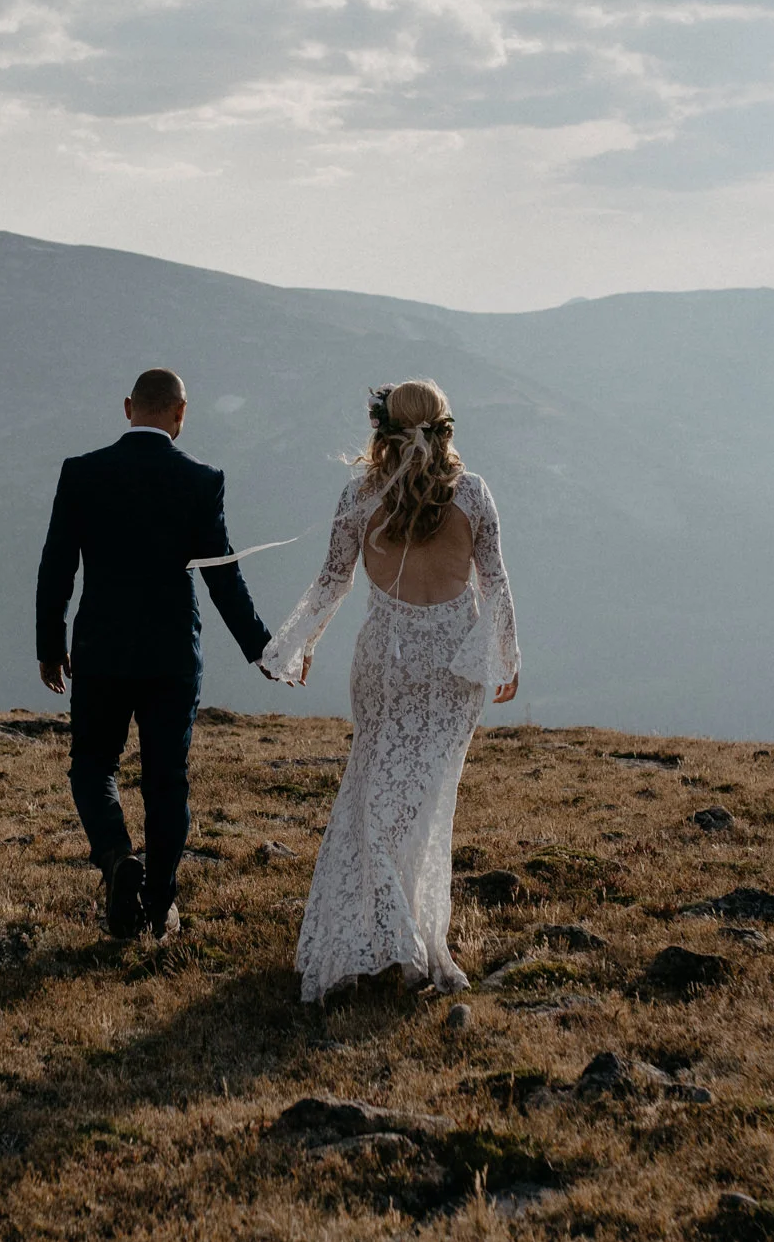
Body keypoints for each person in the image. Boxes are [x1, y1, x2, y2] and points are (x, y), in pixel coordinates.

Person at [259, 379, 520, 1001]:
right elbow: (496, 585)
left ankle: (382, 936)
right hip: (455, 668)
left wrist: (294, 644)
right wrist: (504, 659)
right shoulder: (474, 495)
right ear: (443, 427)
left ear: (382, 431)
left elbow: (331, 581)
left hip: (386, 662)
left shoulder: (358, 498)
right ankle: (409, 938)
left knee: (371, 792)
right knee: (428, 808)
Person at [37, 368, 273, 940]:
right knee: (167, 778)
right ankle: (161, 901)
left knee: (93, 766)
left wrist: (51, 646)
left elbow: (57, 565)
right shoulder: (201, 480)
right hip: (171, 653)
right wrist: (262, 648)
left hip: (100, 647)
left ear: (127, 408)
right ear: (180, 413)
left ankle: (118, 860)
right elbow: (223, 577)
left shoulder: (82, 473)